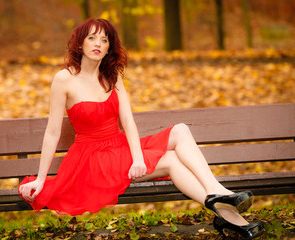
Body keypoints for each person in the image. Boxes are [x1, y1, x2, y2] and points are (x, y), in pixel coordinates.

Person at [19, 18, 264, 239]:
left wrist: (138, 158)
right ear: (80, 44)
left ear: (109, 48)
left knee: (180, 130)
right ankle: (231, 216)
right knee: (170, 160)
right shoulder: (64, 79)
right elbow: (52, 132)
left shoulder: (112, 77)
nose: (98, 43)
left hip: (119, 147)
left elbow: (128, 122)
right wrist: (42, 178)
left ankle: (216, 192)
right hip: (93, 160)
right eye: (91, 37)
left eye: (104, 40)